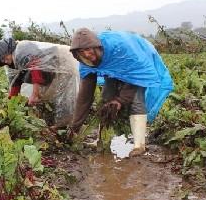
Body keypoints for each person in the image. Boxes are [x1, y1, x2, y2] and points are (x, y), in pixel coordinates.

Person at [68, 28, 174, 156]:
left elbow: (135, 78)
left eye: (88, 49)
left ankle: (139, 145)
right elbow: (85, 96)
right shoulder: (85, 62)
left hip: (137, 59)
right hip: (113, 64)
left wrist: (120, 100)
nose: (86, 54)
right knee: (106, 100)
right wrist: (75, 126)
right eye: (81, 51)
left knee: (137, 100)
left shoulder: (121, 49)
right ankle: (101, 141)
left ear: (96, 47)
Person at [0, 38, 80, 127]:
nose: (5, 61)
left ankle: (66, 125)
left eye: (4, 57)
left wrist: (35, 94)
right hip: (50, 72)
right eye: (2, 61)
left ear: (7, 51)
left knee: (63, 98)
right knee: (45, 98)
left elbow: (36, 68)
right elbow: (14, 84)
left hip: (62, 64)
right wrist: (11, 104)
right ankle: (52, 122)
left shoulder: (21, 51)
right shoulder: (12, 64)